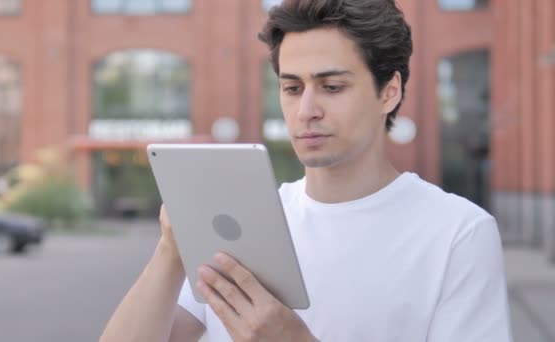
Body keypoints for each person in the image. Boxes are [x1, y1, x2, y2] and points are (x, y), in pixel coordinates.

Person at [100, 0, 513, 341]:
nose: (306, 111)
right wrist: (172, 249)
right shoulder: (253, 218)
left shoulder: (459, 233)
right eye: (292, 88)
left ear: (389, 91)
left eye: (332, 87)